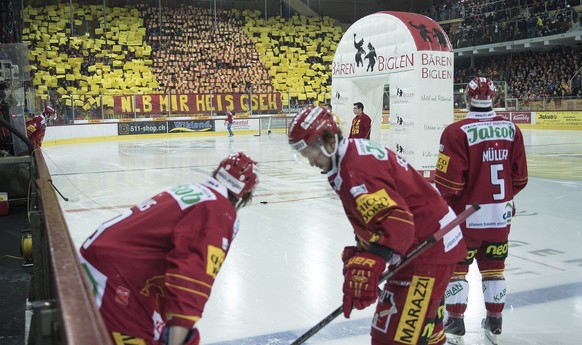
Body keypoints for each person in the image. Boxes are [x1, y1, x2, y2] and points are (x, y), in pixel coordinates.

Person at [288, 106, 467, 345]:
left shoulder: (356, 169)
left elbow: (398, 223)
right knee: (423, 332)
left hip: (427, 253)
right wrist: (364, 250)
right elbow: (374, 214)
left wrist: (373, 259)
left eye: (310, 152)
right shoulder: (350, 156)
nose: (310, 162)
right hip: (424, 246)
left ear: (327, 140)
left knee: (393, 338)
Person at [79, 152, 259, 345]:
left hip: (108, 266)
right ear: (245, 194)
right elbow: (193, 279)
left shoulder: (197, 190)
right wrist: (181, 323)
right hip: (115, 277)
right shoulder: (218, 210)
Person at [434, 76, 528, 345]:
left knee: (457, 270)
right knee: (495, 269)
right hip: (500, 217)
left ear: (466, 99)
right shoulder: (512, 130)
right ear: (495, 99)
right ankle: (495, 322)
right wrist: (501, 201)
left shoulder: (455, 132)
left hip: (466, 218)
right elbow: (520, 178)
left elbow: (448, 184)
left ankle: (455, 322)